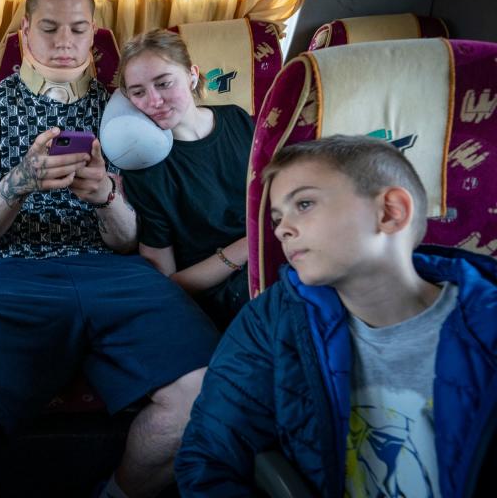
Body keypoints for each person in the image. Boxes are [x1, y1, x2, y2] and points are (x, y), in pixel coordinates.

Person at [0, 0, 220, 498]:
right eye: (49, 29)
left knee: (208, 389)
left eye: (77, 29)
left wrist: (108, 198)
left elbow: (126, 239)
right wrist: (19, 182)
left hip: (114, 272)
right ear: (25, 31)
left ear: (94, 32)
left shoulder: (126, 108)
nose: (64, 43)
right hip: (11, 274)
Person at [174, 135, 497, 497]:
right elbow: (209, 456)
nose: (281, 229)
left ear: (390, 212)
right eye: (278, 217)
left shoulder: (486, 324)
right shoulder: (272, 320)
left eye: (305, 203)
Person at [117, 29, 252, 330]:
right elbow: (169, 282)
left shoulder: (238, 119)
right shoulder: (145, 169)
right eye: (138, 92)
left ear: (192, 75)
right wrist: (249, 246)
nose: (154, 101)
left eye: (164, 83)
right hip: (225, 288)